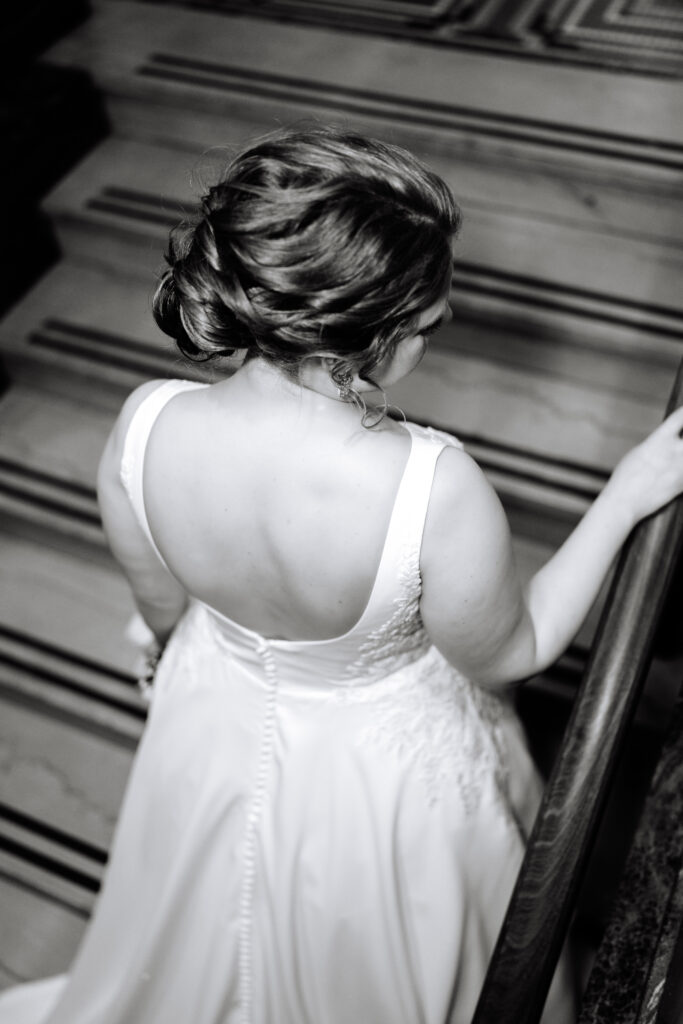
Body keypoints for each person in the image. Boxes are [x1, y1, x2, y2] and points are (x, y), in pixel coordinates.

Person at [2, 124, 682, 1024]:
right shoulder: (430, 485)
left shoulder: (143, 421)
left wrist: (180, 655)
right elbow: (511, 651)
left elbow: (162, 613)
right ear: (366, 337)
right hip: (384, 779)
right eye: (428, 326)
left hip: (212, 712)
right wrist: (629, 491)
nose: (433, 341)